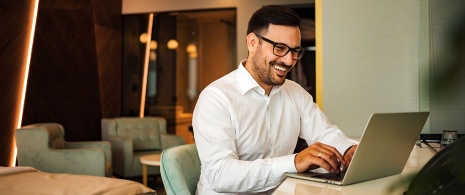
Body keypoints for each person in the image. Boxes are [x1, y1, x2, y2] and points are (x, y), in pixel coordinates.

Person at [192, 5, 358, 194]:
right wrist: (295, 162)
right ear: (253, 43)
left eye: (295, 51)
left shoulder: (295, 92)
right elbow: (221, 175)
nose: (289, 61)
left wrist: (349, 149)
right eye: (280, 48)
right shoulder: (216, 98)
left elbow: (325, 133)